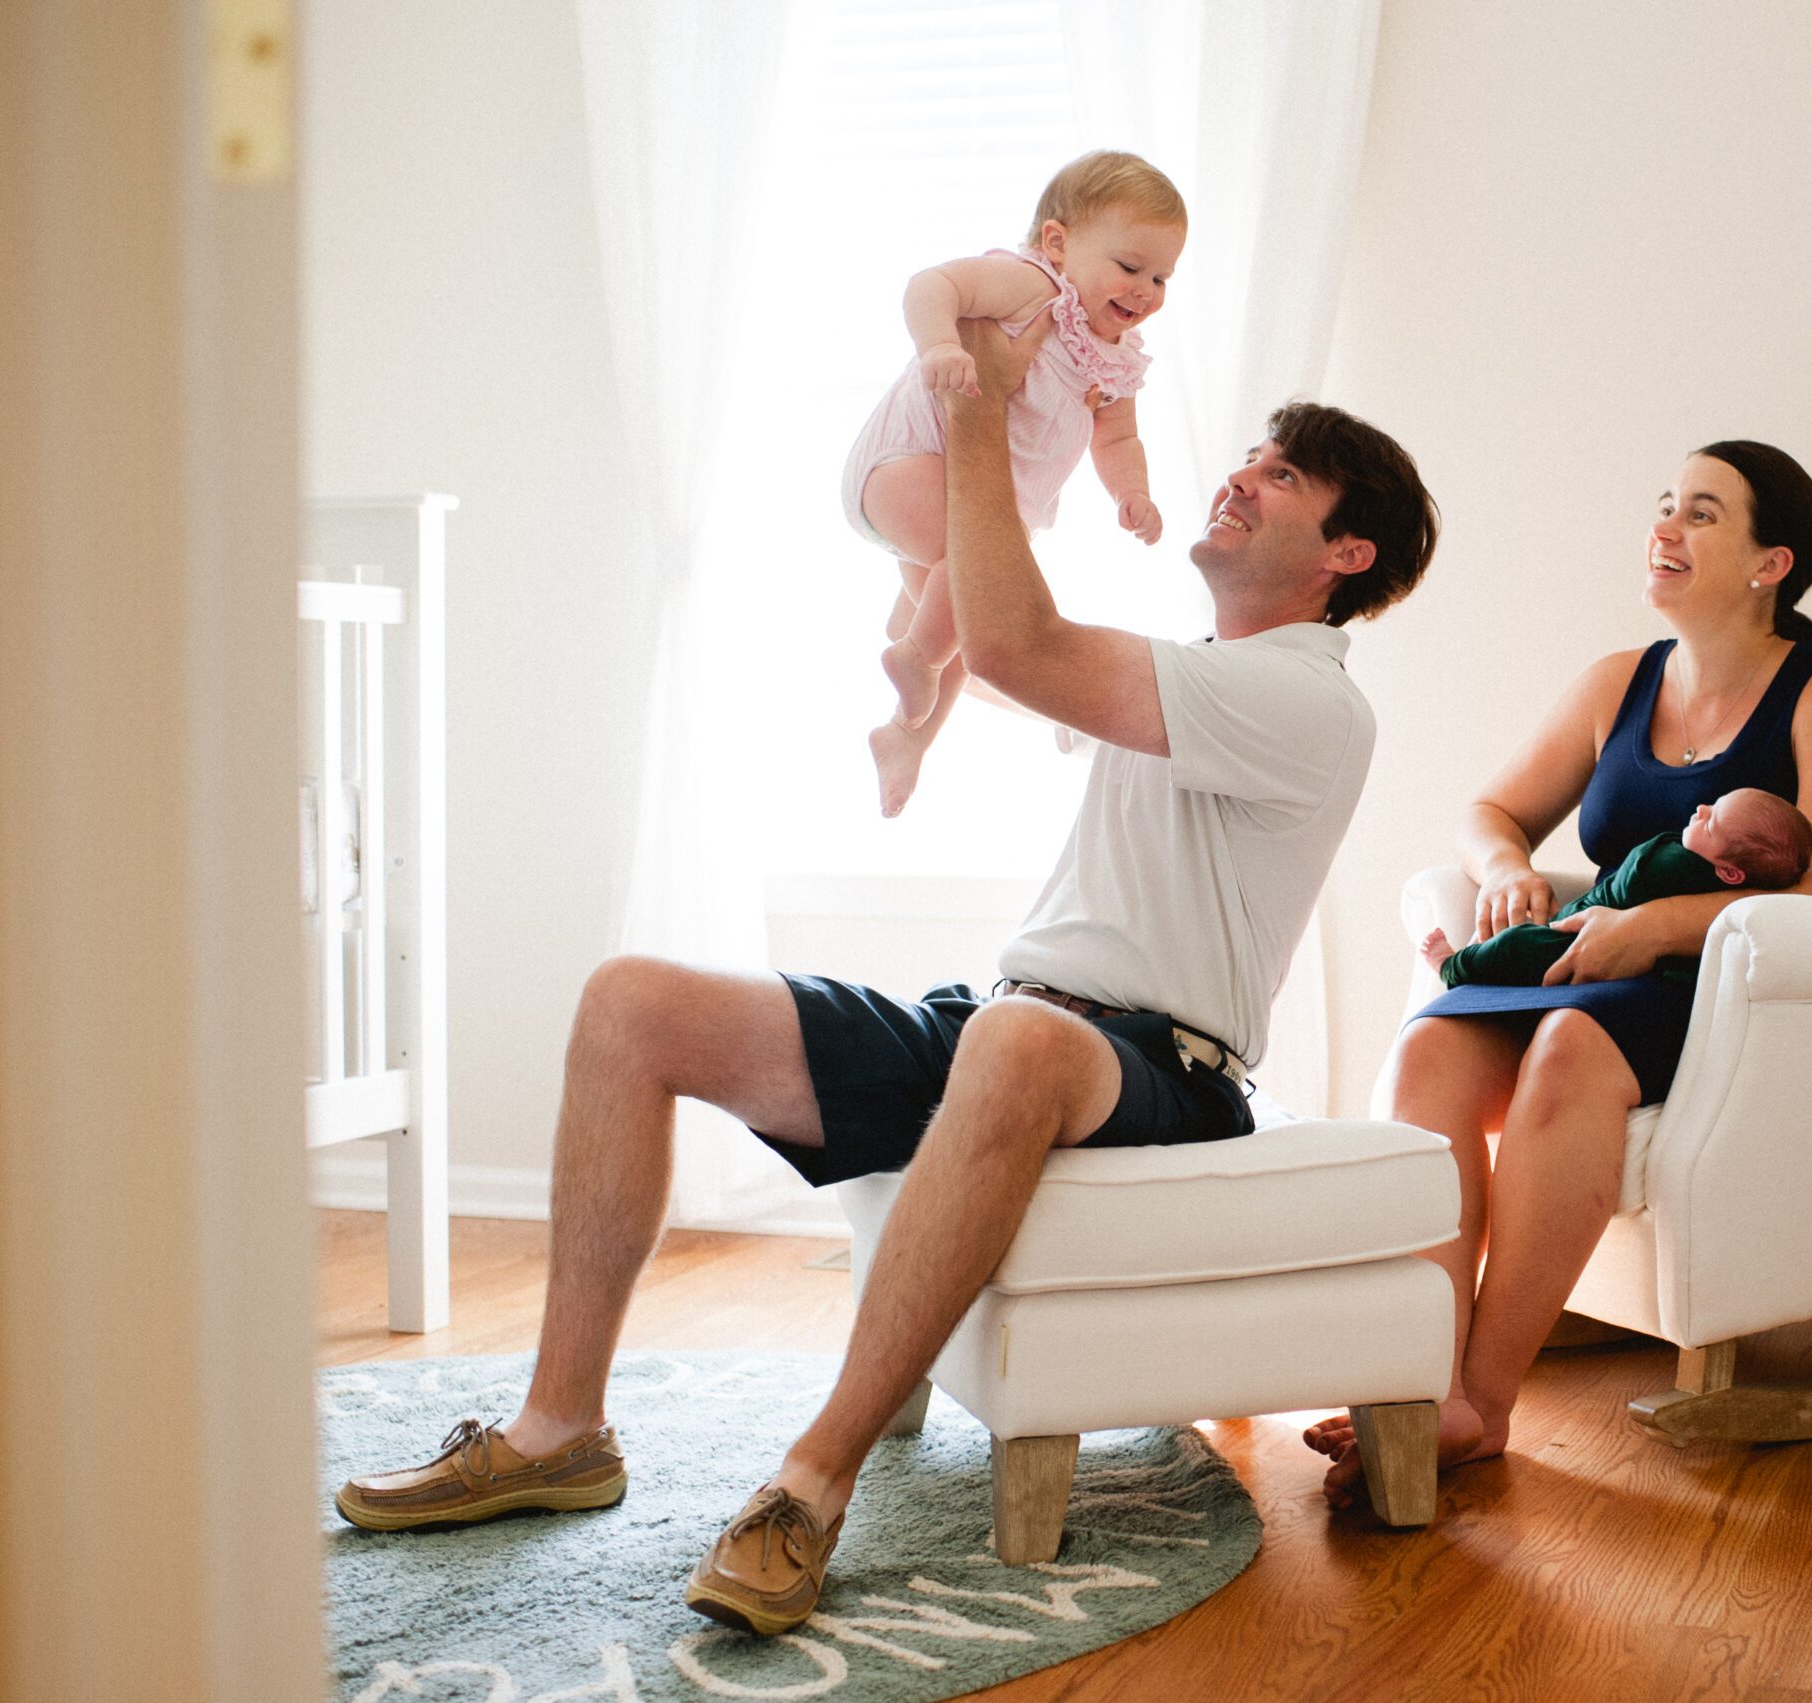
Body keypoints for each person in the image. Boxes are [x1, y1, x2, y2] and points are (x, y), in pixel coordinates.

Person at [334, 310, 1440, 1639]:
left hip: (1163, 1066)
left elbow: (1025, 644)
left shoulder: (1312, 696)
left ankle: (810, 1479)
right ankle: (558, 1426)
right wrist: (925, 583)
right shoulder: (1198, 678)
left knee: (1020, 1046)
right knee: (632, 1004)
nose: (1240, 473)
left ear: (1346, 551)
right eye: (1249, 453)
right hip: (1009, 1021)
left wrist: (978, 414)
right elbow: (997, 659)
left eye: (1282, 473)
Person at [1303, 441, 1812, 1505]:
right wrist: (1507, 870)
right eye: (1665, 506)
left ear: (1772, 562)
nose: (1664, 527)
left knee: (1574, 1044)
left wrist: (1659, 925)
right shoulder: (1616, 680)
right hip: (1590, 953)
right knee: (1431, 1041)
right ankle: (1423, 1386)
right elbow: (1490, 811)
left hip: (1722, 992)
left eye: (1702, 514)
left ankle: (1483, 1401)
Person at [847, 150, 1187, 817]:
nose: (1145, 290)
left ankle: (907, 738)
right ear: (1058, 244)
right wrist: (940, 344)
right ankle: (914, 648)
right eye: (1128, 267)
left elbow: (1116, 437)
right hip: (911, 462)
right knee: (979, 584)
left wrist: (1131, 493)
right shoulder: (1032, 287)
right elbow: (930, 284)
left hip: (974, 501)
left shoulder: (1114, 358)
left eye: (1161, 276)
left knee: (977, 628)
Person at [1420, 788, 1812, 989]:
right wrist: (1504, 868)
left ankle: (1455, 967)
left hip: (1595, 942)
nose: (1701, 810)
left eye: (1712, 824)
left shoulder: (1681, 870)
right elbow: (1489, 812)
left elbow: (1640, 879)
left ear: (1729, 874)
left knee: (1519, 945)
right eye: (1713, 804)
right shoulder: (1695, 861)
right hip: (1590, 915)